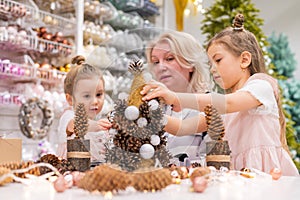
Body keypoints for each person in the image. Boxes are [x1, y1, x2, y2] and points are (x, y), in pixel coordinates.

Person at [141, 14, 299, 176]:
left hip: (267, 176)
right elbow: (182, 127)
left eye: (218, 60)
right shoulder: (224, 110)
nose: (212, 69)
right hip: (239, 180)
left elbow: (228, 103)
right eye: (210, 64)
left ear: (244, 60)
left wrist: (175, 98)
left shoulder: (261, 85)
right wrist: (149, 115)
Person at [145, 30, 212, 163]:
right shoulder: (151, 106)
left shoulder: (209, 106)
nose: (161, 67)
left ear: (191, 64)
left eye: (169, 59)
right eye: (155, 62)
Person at [56, 55, 112, 162]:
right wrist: (95, 126)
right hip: (69, 171)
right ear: (70, 99)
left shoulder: (96, 118)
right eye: (87, 96)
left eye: (99, 94)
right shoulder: (69, 115)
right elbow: (75, 124)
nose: (95, 101)